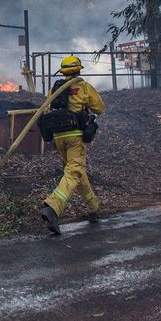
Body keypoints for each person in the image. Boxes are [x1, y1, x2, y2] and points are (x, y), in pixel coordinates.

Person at [40, 55, 105, 235]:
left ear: (63, 72)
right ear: (78, 70)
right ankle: (53, 207)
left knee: (76, 171)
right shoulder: (83, 86)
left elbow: (47, 109)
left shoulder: (56, 89)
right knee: (74, 171)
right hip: (76, 136)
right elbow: (99, 108)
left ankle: (93, 208)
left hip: (59, 138)